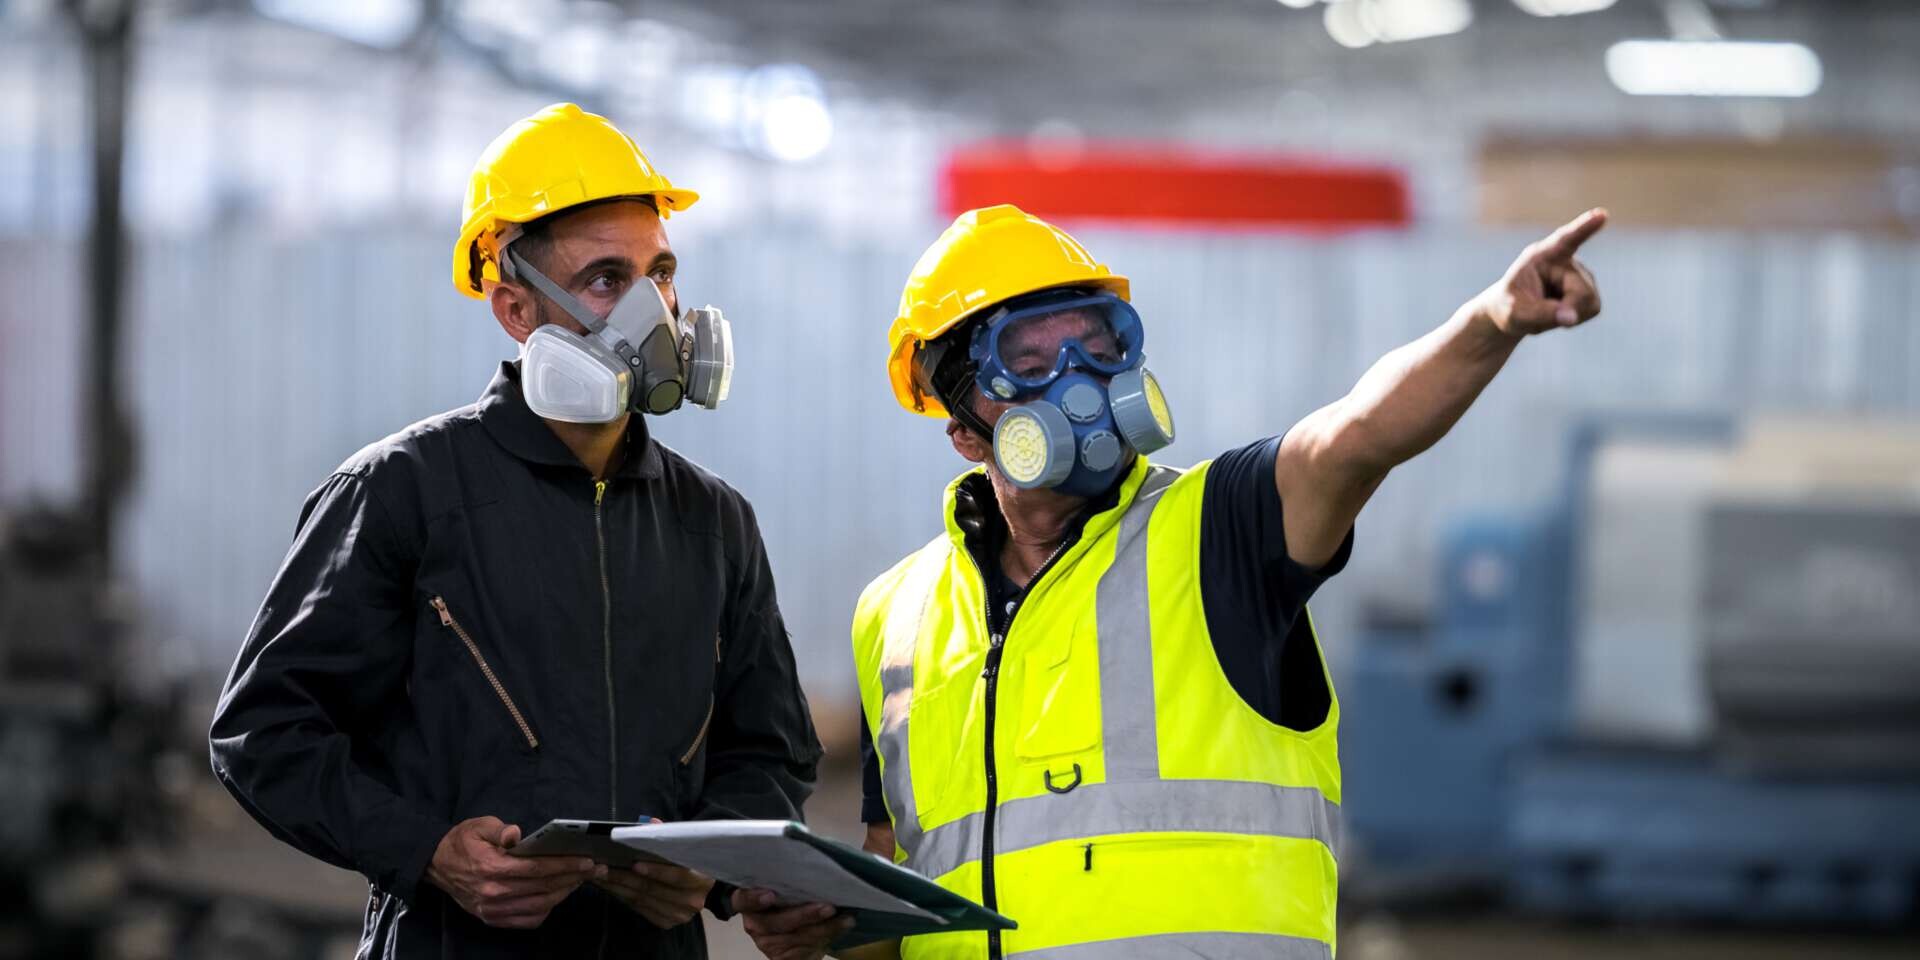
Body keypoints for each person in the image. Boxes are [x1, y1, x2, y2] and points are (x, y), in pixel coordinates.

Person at [736, 202, 1606, 960]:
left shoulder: (1221, 528)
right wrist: (822, 929)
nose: (1079, 379)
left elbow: (1355, 437)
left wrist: (1495, 320)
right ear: (963, 425)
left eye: (1097, 342)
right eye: (1030, 359)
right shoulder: (893, 613)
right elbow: (898, 881)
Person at [209, 103, 822, 958]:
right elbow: (264, 733)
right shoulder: (401, 493)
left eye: (662, 273)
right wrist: (428, 852)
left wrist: (710, 864)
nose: (655, 313)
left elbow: (773, 751)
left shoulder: (713, 521)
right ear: (514, 309)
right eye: (609, 280)